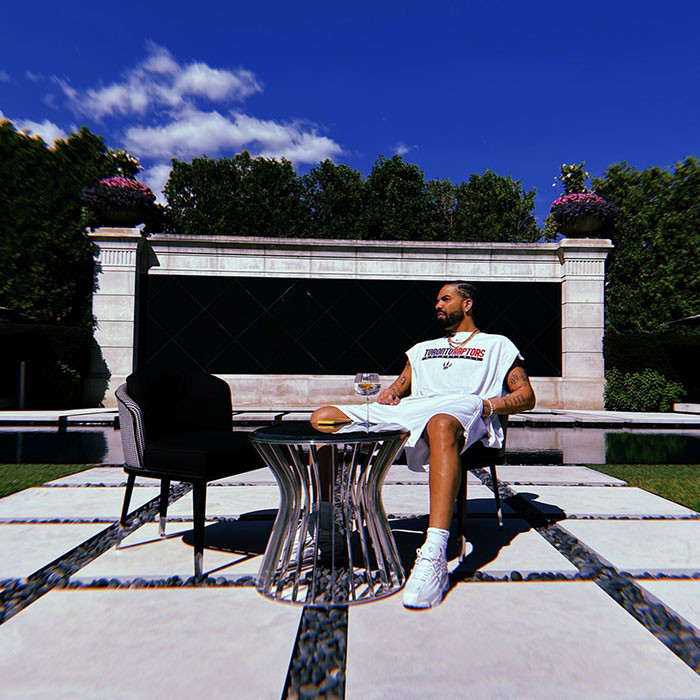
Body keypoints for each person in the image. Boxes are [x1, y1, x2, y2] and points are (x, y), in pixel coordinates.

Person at [311, 281, 536, 609]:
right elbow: (397, 388)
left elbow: (527, 396)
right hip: (414, 410)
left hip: (465, 408)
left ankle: (433, 552)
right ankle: (331, 519)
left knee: (441, 423)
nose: (438, 305)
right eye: (436, 300)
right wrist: (390, 393)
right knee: (324, 419)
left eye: (446, 298)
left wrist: (491, 406)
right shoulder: (421, 349)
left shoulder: (498, 345)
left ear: (467, 304)